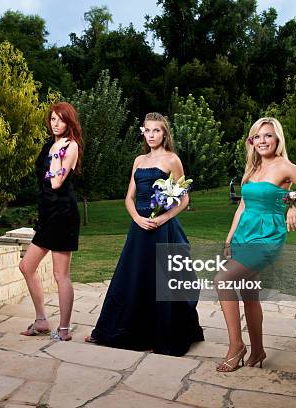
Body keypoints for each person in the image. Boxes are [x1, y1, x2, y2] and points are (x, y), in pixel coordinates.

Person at [84, 112, 204, 356]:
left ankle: (160, 335)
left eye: (156, 130)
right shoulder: (138, 160)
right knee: (131, 278)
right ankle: (113, 330)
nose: (151, 135)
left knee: (159, 281)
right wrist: (137, 218)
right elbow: (128, 197)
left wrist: (162, 218)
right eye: (147, 130)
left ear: (164, 133)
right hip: (139, 228)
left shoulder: (172, 160)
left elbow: (184, 198)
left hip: (163, 230)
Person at [215, 117, 296, 371]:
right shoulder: (252, 169)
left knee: (222, 280)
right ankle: (257, 352)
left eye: (268, 135)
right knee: (249, 294)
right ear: (252, 141)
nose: (263, 141)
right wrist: (229, 238)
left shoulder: (285, 166)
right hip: (244, 234)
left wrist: (295, 203)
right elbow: (243, 206)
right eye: (258, 136)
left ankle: (236, 347)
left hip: (267, 238)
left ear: (277, 140)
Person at [19, 102, 83, 341]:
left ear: (69, 122)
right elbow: (44, 179)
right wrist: (54, 149)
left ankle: (64, 328)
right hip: (47, 215)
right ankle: (41, 320)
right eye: (52, 119)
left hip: (63, 215)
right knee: (26, 266)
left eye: (60, 119)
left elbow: (56, 182)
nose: (55, 124)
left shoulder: (70, 146)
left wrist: (57, 152)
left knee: (60, 275)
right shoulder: (50, 144)